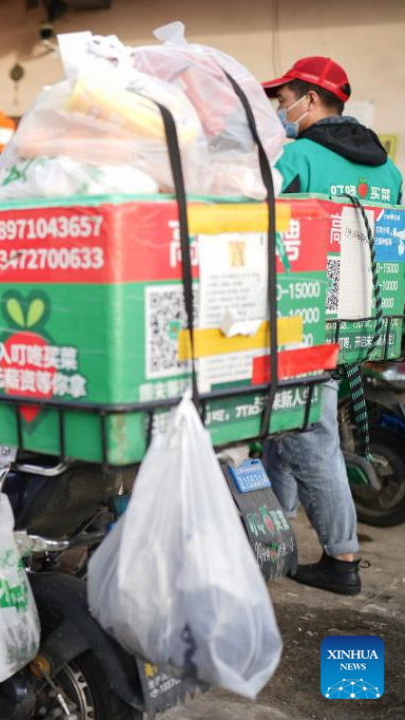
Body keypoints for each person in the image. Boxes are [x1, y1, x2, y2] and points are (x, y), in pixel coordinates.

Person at [261, 57, 402, 594]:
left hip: (301, 321)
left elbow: (251, 211)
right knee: (283, 434)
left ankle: (342, 559)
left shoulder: (297, 155)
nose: (282, 110)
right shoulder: (389, 172)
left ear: (312, 100)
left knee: (309, 436)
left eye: (285, 99)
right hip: (361, 320)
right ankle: (269, 542)